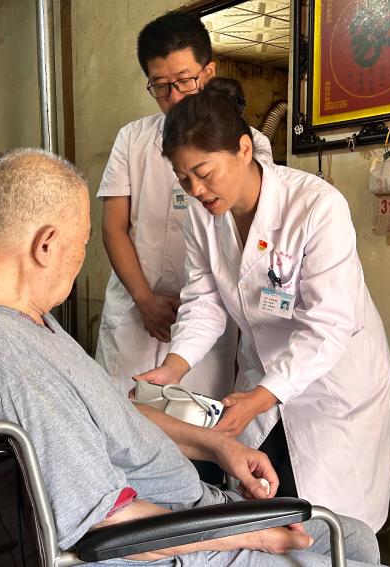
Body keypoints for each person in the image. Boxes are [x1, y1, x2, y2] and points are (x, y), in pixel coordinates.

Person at [0, 148, 383, 566]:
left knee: (355, 537)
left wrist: (217, 446)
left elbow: (108, 417)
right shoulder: (6, 358)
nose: (80, 261)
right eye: (82, 244)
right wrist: (254, 535)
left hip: (187, 512)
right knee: (345, 546)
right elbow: (106, 524)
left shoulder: (13, 321)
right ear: (45, 245)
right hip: (170, 542)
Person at [134, 83, 390, 531]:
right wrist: (174, 367)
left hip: (331, 384)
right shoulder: (202, 213)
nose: (196, 189)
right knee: (265, 510)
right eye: (183, 178)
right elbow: (204, 300)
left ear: (243, 149)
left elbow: (328, 327)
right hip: (262, 379)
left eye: (204, 172)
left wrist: (261, 397)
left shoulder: (315, 206)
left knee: (333, 524)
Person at [96, 12, 273, 400]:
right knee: (121, 417)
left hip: (205, 316)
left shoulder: (248, 144)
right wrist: (145, 300)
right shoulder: (132, 139)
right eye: (161, 86)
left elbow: (243, 242)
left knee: (195, 423)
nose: (174, 96)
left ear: (208, 72)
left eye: (184, 81)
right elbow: (113, 227)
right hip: (134, 315)